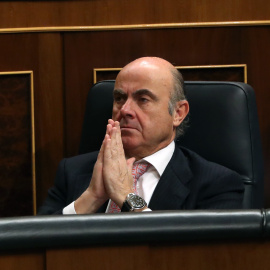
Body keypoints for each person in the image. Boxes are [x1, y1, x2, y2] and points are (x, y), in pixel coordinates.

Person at [39, 57, 244, 215]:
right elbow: (36, 246)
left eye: (143, 99)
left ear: (178, 113)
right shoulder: (73, 172)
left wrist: (127, 198)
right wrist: (91, 198)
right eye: (119, 98)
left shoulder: (217, 184)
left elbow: (202, 258)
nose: (125, 110)